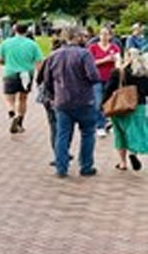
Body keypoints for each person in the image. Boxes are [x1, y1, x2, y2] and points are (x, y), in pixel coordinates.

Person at [42, 26, 102, 178]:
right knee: (88, 134)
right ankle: (86, 166)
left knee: (62, 134)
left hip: (62, 101)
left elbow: (46, 80)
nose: (86, 38)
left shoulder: (54, 55)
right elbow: (94, 76)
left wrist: (54, 94)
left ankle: (61, 167)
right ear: (77, 37)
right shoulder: (84, 54)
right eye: (83, 36)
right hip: (84, 100)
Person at [0, 24, 44, 134]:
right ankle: (20, 122)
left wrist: (7, 62)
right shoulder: (32, 44)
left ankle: (12, 112)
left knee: (9, 98)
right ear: (27, 31)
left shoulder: (6, 43)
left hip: (10, 73)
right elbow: (39, 61)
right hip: (27, 74)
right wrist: (40, 75)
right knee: (23, 99)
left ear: (14, 30)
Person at [106, 49, 148, 171]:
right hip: (138, 106)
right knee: (137, 131)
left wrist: (102, 104)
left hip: (119, 107)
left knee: (120, 134)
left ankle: (122, 163)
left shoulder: (119, 72)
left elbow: (109, 89)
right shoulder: (143, 73)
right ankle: (133, 153)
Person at [89, 26, 121, 136]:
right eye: (102, 34)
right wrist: (105, 60)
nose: (104, 36)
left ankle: (109, 123)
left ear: (110, 36)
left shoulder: (114, 47)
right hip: (97, 78)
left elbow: (118, 62)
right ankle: (100, 125)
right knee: (98, 102)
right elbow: (90, 63)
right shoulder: (93, 47)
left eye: (107, 34)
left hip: (111, 79)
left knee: (111, 101)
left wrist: (117, 63)